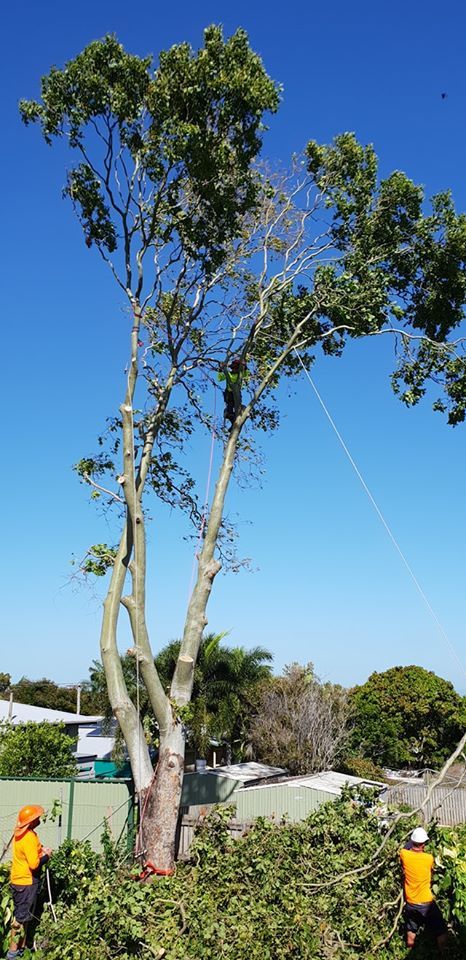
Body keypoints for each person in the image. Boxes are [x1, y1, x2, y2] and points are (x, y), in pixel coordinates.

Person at [7, 804, 52, 959]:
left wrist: (41, 850)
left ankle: (21, 950)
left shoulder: (22, 834)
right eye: (37, 817)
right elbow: (33, 864)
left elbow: (30, 853)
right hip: (26, 882)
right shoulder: (29, 837)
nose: (39, 818)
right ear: (31, 821)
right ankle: (12, 954)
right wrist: (47, 856)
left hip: (19, 880)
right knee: (20, 920)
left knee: (24, 916)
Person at [400, 827, 448, 953]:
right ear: (423, 844)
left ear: (412, 841)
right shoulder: (429, 858)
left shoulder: (404, 855)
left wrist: (412, 840)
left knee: (411, 929)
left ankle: (409, 950)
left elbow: (406, 846)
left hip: (411, 902)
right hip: (426, 903)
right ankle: (444, 953)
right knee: (441, 929)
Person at [218, 358, 245, 427]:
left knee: (237, 408)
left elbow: (246, 373)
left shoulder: (240, 374)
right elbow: (220, 378)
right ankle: (232, 419)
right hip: (229, 393)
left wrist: (245, 366)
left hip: (237, 394)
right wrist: (220, 370)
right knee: (229, 407)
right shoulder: (229, 374)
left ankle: (235, 421)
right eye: (233, 368)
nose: (234, 370)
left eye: (236, 368)